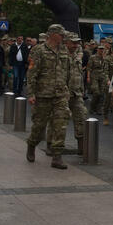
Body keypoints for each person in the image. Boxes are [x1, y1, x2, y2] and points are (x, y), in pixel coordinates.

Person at [25, 24, 71, 170]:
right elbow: (32, 73)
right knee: (39, 126)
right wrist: (31, 94)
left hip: (60, 95)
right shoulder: (39, 50)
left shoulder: (63, 50)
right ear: (52, 34)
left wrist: (67, 89)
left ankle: (57, 156)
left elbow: (67, 71)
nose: (63, 36)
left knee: (61, 124)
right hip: (43, 94)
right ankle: (32, 144)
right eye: (60, 34)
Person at [64, 33, 88, 153]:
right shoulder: (60, 56)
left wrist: (82, 91)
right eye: (73, 42)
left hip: (76, 94)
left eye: (77, 43)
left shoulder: (77, 57)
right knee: (60, 121)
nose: (75, 45)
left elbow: (79, 75)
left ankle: (82, 148)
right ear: (66, 42)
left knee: (81, 118)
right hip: (63, 95)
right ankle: (54, 147)